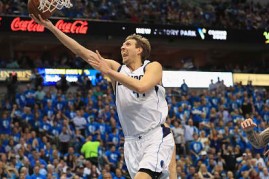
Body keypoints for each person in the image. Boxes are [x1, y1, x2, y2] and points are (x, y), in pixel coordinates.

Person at [30, 14, 176, 179]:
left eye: (127, 44)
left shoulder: (152, 67)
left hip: (154, 135)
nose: (122, 47)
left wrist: (110, 72)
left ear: (139, 50)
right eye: (122, 44)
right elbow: (81, 52)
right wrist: (51, 27)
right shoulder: (117, 69)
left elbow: (141, 86)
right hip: (131, 142)